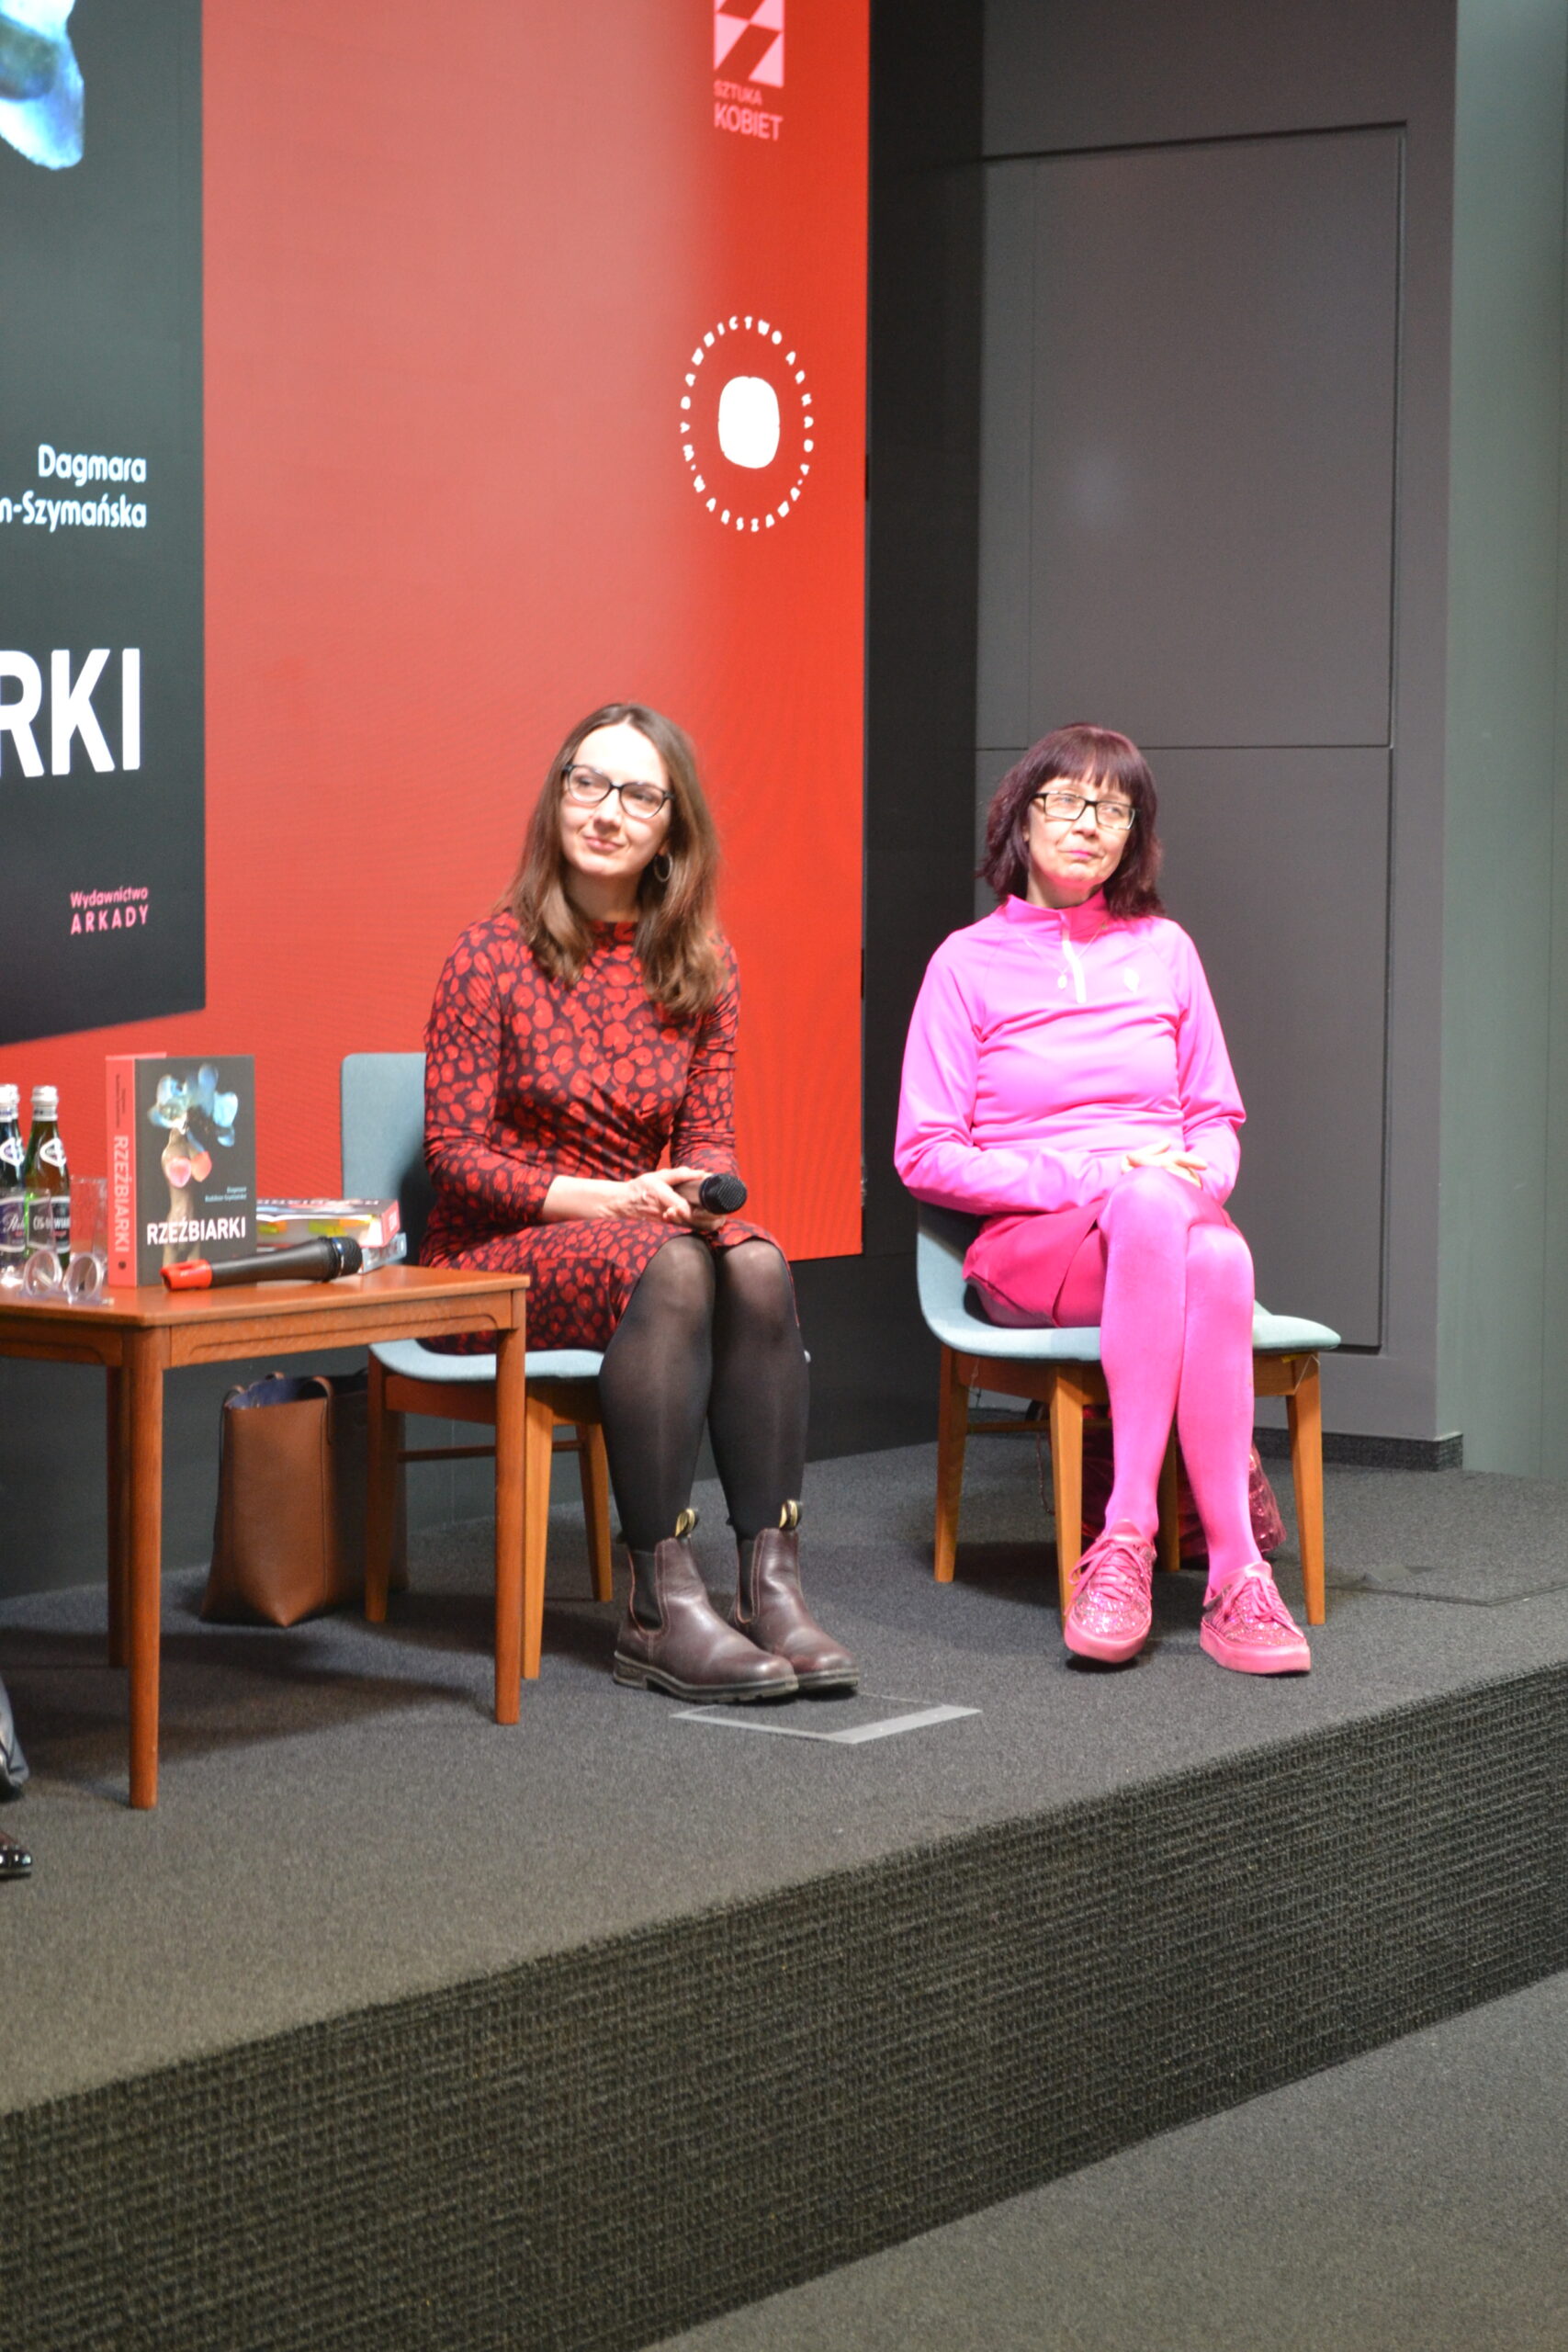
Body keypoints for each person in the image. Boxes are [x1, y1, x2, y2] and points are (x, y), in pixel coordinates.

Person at [421, 701, 856, 1702]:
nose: (607, 811)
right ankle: (659, 1604)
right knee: (668, 1265)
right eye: (588, 782)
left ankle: (771, 1585)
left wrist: (698, 1190)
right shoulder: (487, 956)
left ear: (671, 830)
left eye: (639, 795)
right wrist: (607, 1201)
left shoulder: (703, 965)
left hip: (638, 1239)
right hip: (490, 1255)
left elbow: (706, 1140)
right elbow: (454, 1159)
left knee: (754, 1260)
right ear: (557, 797)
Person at [895, 723, 1310, 1675]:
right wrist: (1098, 1176)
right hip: (1034, 1247)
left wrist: (1195, 1179)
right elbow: (925, 1153)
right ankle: (1171, 1545)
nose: (1091, 824)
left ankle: (1196, 1564)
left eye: (1116, 810)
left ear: (1134, 837)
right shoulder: (965, 963)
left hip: (1166, 1222)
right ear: (1021, 818)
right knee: (1195, 1240)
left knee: (1210, 1245)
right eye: (1070, 802)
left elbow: (1214, 1118)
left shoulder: (1166, 950)